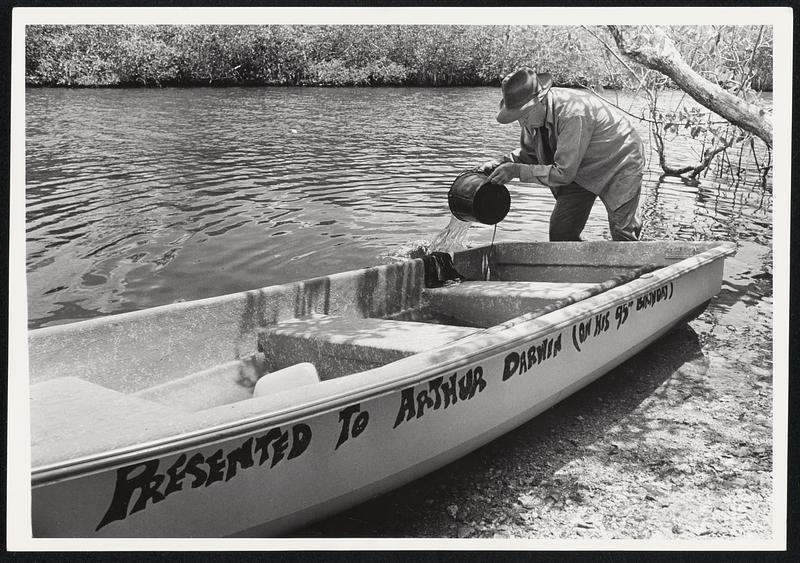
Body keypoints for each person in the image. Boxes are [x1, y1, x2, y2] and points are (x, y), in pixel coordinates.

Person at [481, 67, 646, 241]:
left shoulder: (573, 114)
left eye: (524, 114)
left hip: (621, 159)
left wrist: (516, 171)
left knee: (623, 232)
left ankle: (638, 262)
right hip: (580, 167)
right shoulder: (532, 119)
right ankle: (582, 267)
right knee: (562, 232)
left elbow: (563, 173)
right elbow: (529, 154)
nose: (522, 123)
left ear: (541, 101)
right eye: (517, 117)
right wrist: (500, 163)